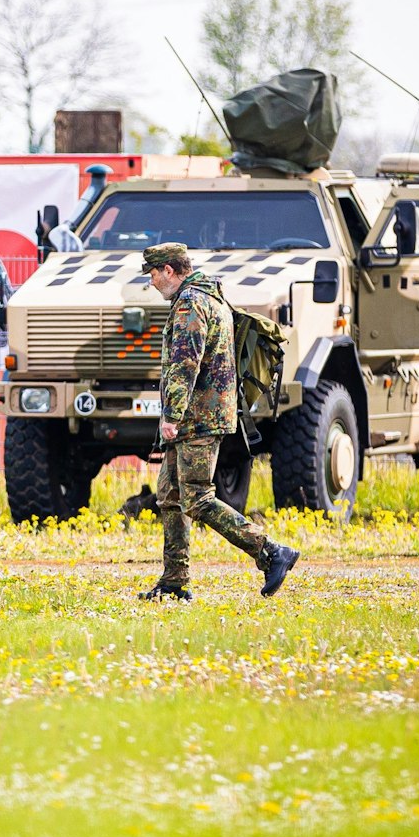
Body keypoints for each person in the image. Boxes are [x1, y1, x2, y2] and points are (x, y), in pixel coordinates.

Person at [138, 242, 300, 601]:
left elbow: (185, 363)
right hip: (201, 415)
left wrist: (171, 415)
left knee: (196, 497)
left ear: (169, 270)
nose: (151, 282)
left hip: (197, 418)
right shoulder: (210, 297)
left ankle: (270, 551)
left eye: (152, 273)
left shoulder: (192, 303)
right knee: (170, 495)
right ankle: (174, 582)